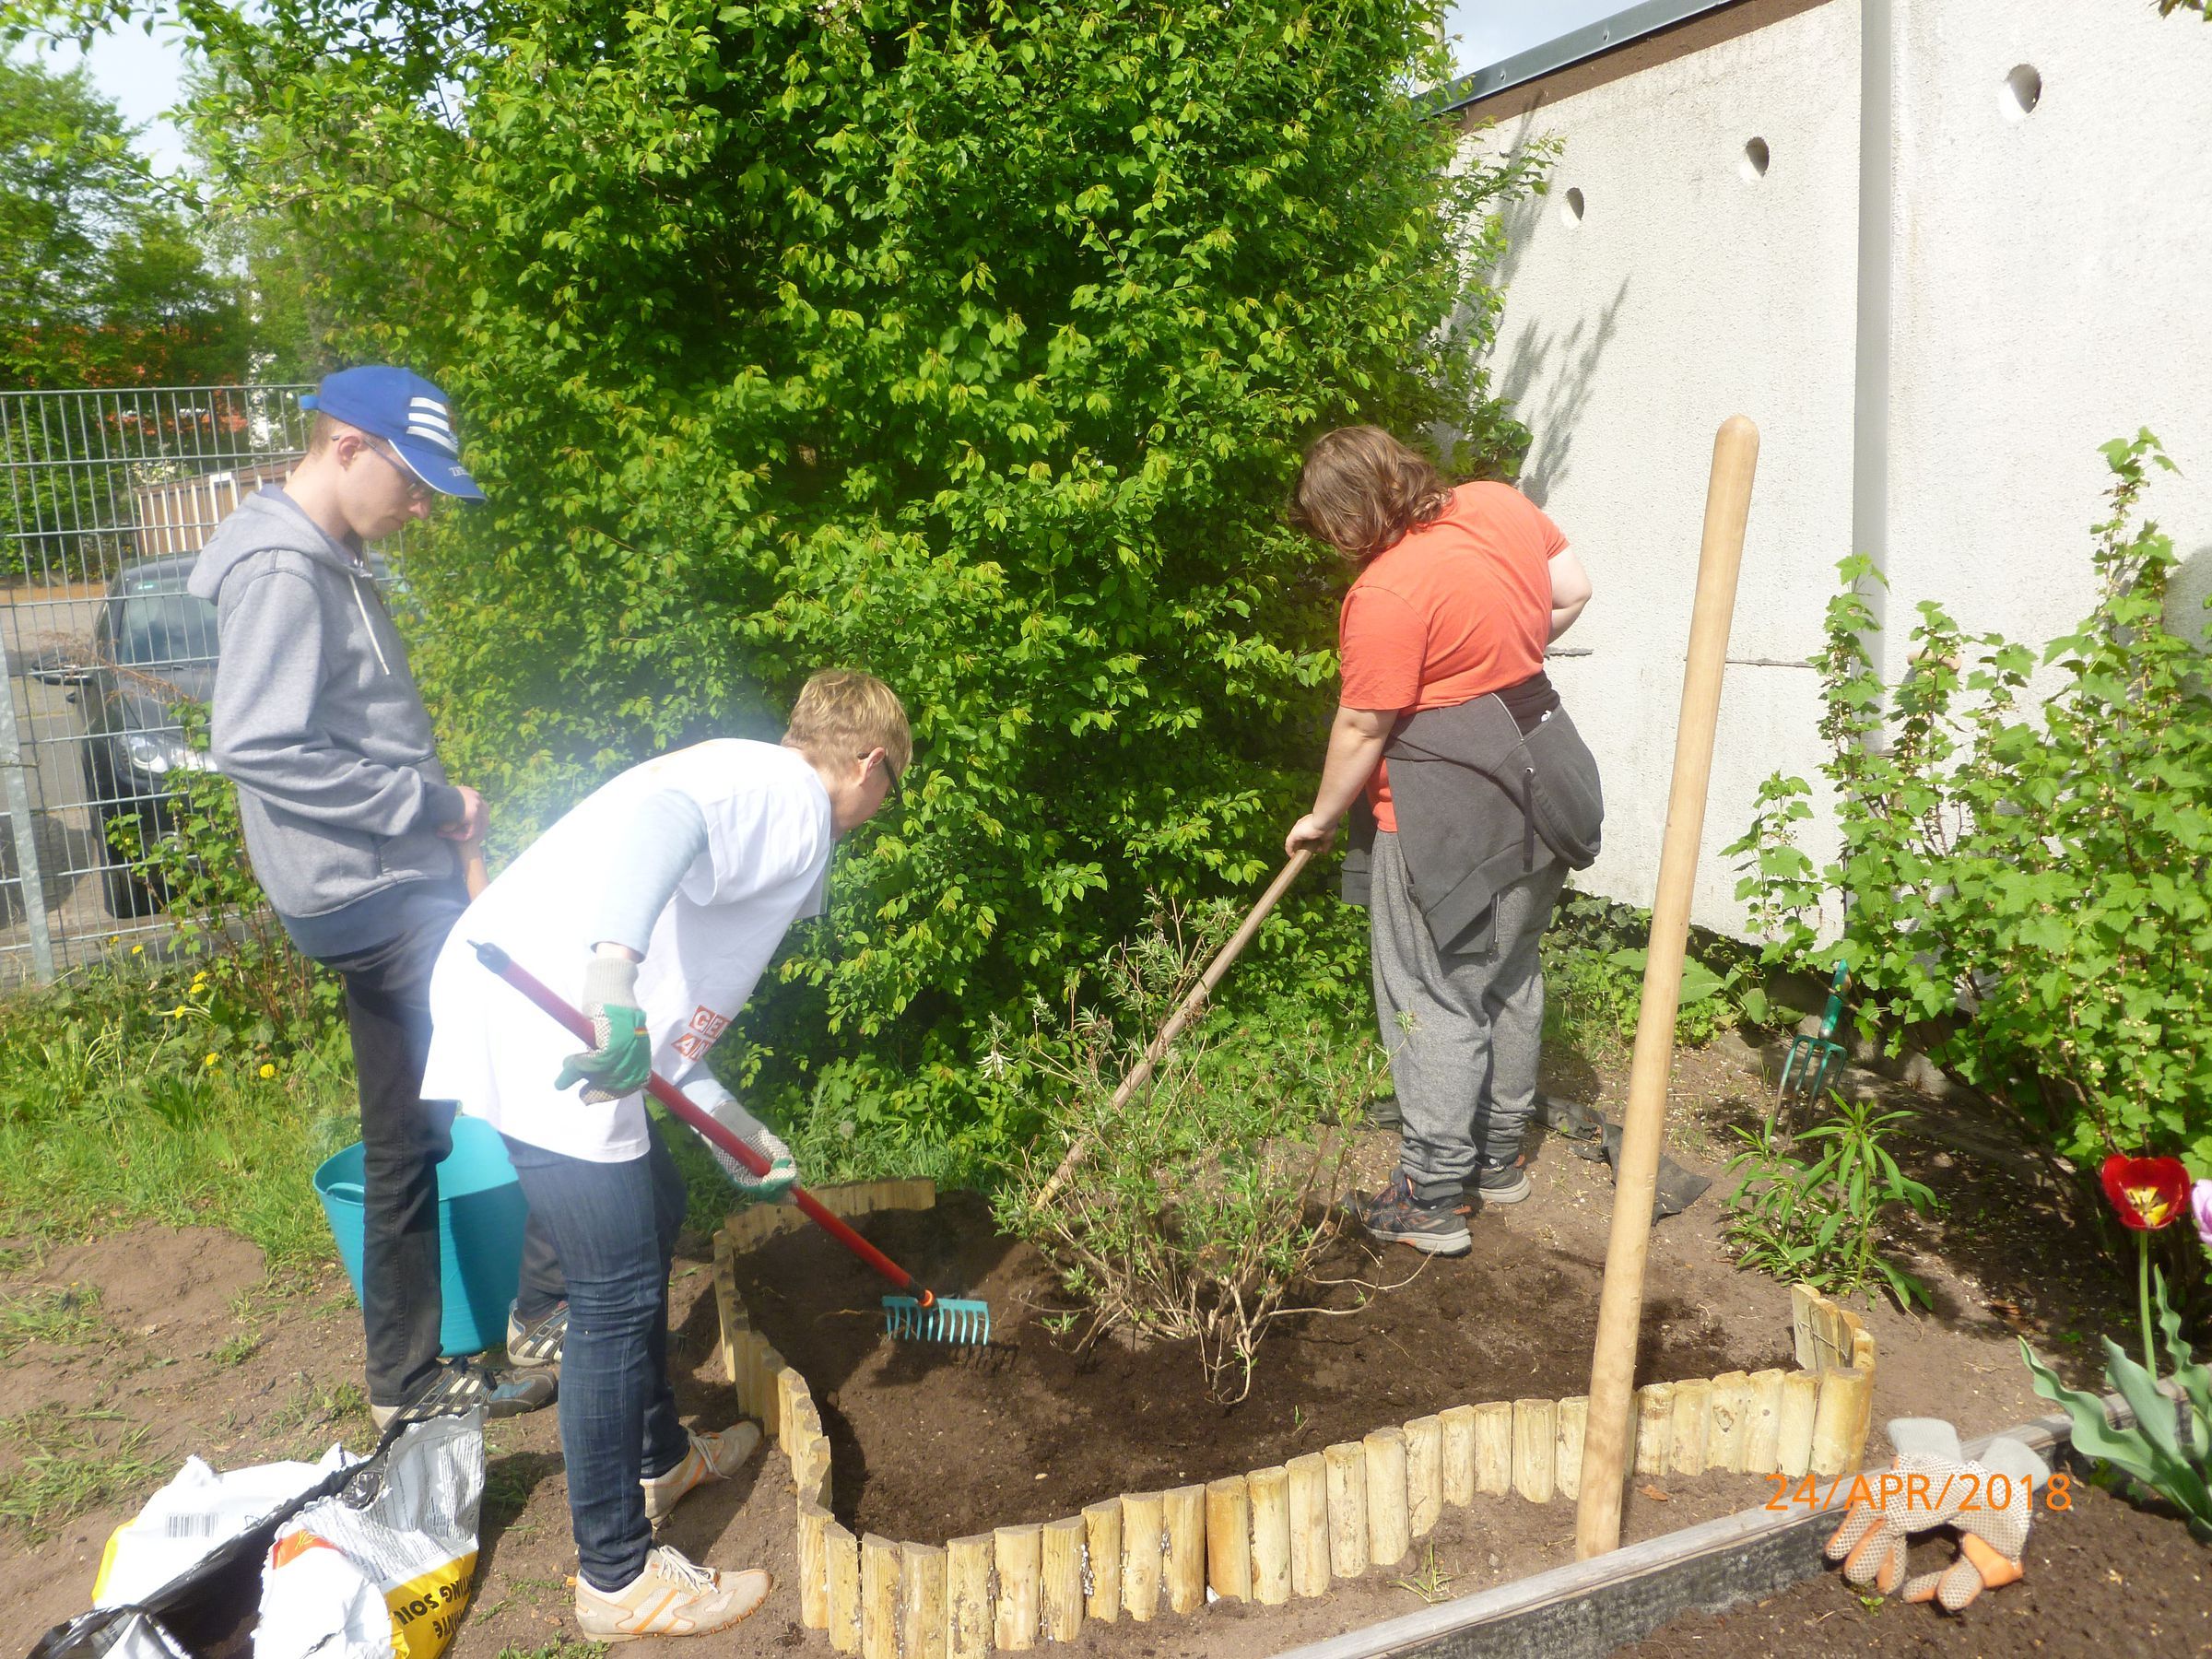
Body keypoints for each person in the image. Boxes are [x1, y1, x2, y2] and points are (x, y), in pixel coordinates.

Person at [420, 669, 909, 1641]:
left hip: (559, 1021)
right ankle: (617, 1578)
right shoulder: (787, 793)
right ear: (869, 763)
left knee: (653, 1211)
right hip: (554, 1025)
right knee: (612, 1294)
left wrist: (736, 1130)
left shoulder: (760, 791)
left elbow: (676, 1025)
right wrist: (611, 983)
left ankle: (658, 1459)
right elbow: (667, 825)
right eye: (892, 786)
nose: (882, 807)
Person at [190, 366, 564, 1426]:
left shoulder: (332, 557)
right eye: (414, 481)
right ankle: (554, 1309)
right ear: (347, 446)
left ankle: (407, 1384)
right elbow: (256, 742)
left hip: (378, 881)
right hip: (377, 888)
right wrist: (427, 803)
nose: (423, 508)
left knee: (408, 1131)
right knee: (542, 1066)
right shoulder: (283, 569)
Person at [1284, 428, 1602, 1256]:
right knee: (1509, 974)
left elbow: (1364, 725)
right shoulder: (1498, 504)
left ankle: (1430, 1193)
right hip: (1545, 780)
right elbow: (1573, 590)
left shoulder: (1386, 592)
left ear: (1347, 516)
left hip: (1451, 819)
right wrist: (1495, 667)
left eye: (1330, 527)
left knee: (1435, 995)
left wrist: (1321, 818)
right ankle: (1498, 1156)